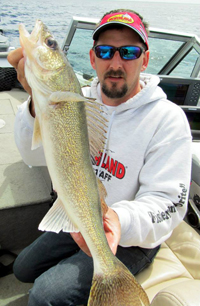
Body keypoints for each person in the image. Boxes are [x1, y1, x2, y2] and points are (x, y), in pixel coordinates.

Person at [8, 9, 192, 306]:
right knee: (22, 268)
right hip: (80, 211)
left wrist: (120, 220)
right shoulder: (76, 99)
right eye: (105, 51)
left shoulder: (167, 120)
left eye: (129, 52)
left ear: (145, 60)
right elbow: (32, 154)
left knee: (44, 294)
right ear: (92, 59)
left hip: (133, 234)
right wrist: (34, 104)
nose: (115, 63)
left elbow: (168, 203)